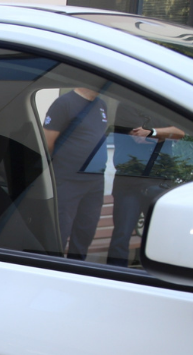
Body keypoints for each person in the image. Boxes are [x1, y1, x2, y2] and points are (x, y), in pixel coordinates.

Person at [106, 103, 184, 267]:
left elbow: (180, 133)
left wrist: (153, 132)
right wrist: (163, 133)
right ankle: (115, 275)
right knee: (122, 234)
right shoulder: (127, 106)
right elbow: (140, 137)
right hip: (130, 181)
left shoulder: (164, 106)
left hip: (159, 180)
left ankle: (156, 275)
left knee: (160, 235)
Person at [43, 87, 109, 261]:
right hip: (68, 179)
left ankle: (76, 268)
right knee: (60, 230)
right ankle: (53, 267)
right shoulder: (64, 103)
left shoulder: (101, 105)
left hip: (95, 181)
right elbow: (47, 143)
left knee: (86, 230)